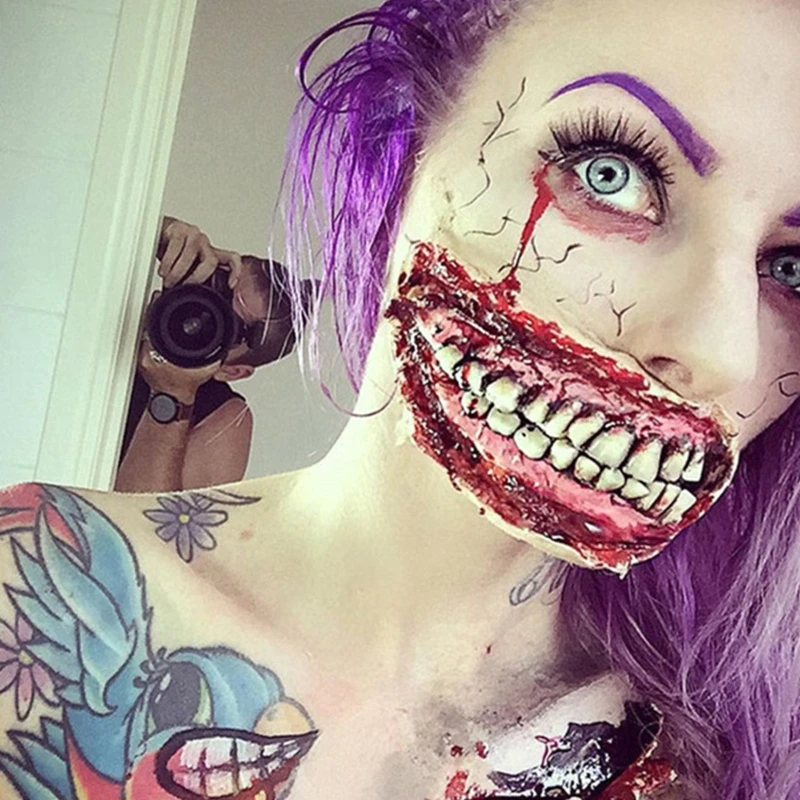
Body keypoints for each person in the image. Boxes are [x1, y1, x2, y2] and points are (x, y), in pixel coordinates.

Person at [0, 1, 799, 798]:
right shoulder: (38, 598)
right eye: (610, 173)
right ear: (406, 149)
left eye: (793, 269)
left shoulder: (732, 755)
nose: (719, 353)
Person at [115, 216, 307, 492]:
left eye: (228, 326)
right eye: (215, 293)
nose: (200, 316)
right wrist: (158, 233)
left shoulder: (225, 419)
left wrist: (171, 396)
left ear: (231, 371)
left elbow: (147, 515)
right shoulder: (121, 285)